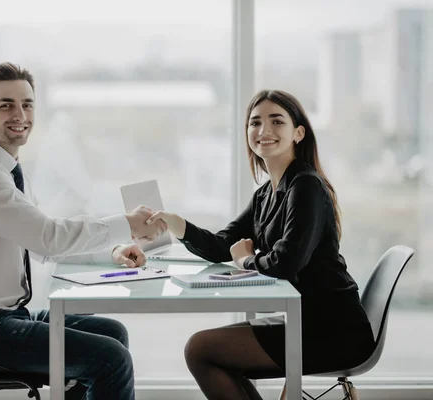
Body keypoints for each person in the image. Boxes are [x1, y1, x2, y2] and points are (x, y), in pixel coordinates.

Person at [0, 62, 165, 400]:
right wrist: (126, 224)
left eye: (27, 104)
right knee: (111, 360)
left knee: (112, 334)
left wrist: (111, 252)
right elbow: (50, 238)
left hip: (0, 319)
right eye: (6, 105)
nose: (20, 114)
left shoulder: (4, 171)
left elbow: (39, 246)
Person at [146, 90, 375, 400]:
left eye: (276, 121)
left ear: (298, 133)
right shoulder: (266, 193)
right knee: (203, 348)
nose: (264, 131)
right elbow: (222, 245)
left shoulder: (305, 185)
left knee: (200, 350)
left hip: (333, 330)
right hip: (304, 320)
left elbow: (285, 263)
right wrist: (177, 224)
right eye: (255, 123)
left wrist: (245, 261)